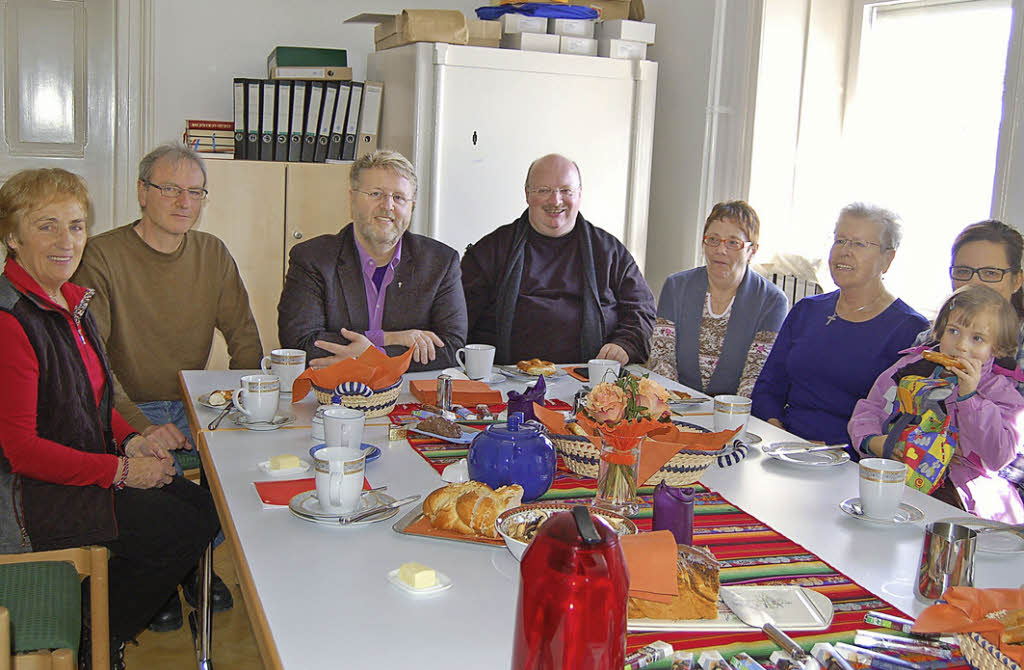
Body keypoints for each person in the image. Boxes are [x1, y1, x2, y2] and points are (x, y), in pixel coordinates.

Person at [0, 168, 219, 668]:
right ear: (12, 236)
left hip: (79, 471)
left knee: (200, 510)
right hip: (25, 498)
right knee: (173, 530)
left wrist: (133, 440)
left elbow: (94, 403)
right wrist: (122, 472)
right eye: (46, 225)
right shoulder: (10, 320)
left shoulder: (68, 302)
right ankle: (94, 635)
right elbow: (22, 452)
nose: (65, 241)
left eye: (76, 226)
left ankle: (100, 622)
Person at [72, 143, 260, 627]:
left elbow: (243, 335)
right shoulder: (102, 256)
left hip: (200, 400)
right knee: (164, 481)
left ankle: (192, 561)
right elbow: (93, 364)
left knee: (243, 471)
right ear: (142, 192)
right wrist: (137, 428)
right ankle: (174, 565)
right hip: (129, 406)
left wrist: (252, 401)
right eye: (170, 189)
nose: (183, 202)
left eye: (195, 192)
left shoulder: (212, 252)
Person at [751, 203, 929, 452]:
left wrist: (835, 448)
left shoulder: (909, 329)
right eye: (840, 241)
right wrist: (776, 432)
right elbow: (767, 387)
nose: (845, 252)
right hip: (780, 447)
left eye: (859, 244)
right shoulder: (807, 310)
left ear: (887, 259)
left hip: (851, 459)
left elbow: (900, 423)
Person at [277, 150, 466, 372]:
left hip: (406, 397)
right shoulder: (312, 259)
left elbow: (452, 348)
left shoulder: (440, 262)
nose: (388, 206)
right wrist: (389, 339)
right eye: (376, 193)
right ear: (352, 198)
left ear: (411, 207)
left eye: (399, 197)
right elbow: (300, 343)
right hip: (330, 397)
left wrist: (376, 358)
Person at [849, 285, 1024, 523]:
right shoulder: (911, 368)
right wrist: (872, 441)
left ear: (997, 348)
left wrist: (970, 399)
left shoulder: (1004, 395)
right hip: (899, 474)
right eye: (953, 331)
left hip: (963, 493)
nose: (961, 345)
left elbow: (997, 457)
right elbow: (871, 408)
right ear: (939, 332)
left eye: (977, 338)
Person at [462, 153, 656, 366]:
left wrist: (625, 345)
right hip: (506, 379)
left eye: (566, 190)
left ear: (579, 194)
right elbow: (459, 317)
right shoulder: (490, 250)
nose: (555, 200)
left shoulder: (609, 251)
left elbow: (641, 309)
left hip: (591, 383)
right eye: (544, 190)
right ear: (527, 194)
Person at [915, 219, 1024, 503]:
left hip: (999, 494)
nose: (974, 283)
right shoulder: (929, 340)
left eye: (990, 273)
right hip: (922, 474)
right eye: (963, 271)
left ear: (1016, 280)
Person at [648, 201, 787, 397]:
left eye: (733, 243)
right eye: (713, 239)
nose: (720, 250)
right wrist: (677, 404)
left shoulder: (772, 301)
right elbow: (662, 360)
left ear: (752, 251)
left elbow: (754, 377)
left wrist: (728, 416)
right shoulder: (676, 286)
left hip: (735, 413)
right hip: (675, 405)